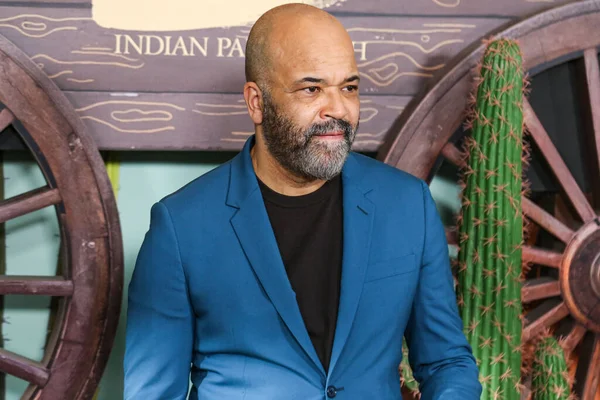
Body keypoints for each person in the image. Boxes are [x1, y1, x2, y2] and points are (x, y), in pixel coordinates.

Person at [123, 3, 481, 399]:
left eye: (349, 87)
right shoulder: (180, 227)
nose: (338, 109)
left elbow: (447, 362)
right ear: (256, 103)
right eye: (311, 88)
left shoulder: (407, 204)